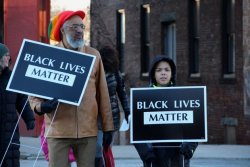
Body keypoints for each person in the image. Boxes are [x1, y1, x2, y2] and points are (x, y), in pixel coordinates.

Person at [29, 10, 114, 167]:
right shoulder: (49, 55)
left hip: (88, 131)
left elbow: (103, 95)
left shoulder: (94, 56)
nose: (80, 31)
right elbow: (34, 93)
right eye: (74, 27)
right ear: (62, 30)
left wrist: (108, 127)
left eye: (81, 26)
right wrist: (41, 107)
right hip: (58, 131)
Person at [135, 55, 198, 167]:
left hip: (178, 158)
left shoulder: (183, 97)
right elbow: (137, 131)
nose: (163, 73)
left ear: (172, 73)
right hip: (153, 158)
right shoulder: (143, 98)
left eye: (167, 70)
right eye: (159, 70)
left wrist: (190, 146)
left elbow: (195, 127)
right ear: (153, 74)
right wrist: (145, 151)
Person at [0, 43, 35, 167]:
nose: (8, 58)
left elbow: (22, 100)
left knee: (10, 160)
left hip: (10, 132)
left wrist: (29, 118)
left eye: (9, 56)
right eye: (5, 56)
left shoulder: (12, 77)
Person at [95, 46, 130, 167]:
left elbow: (122, 92)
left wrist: (127, 111)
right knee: (98, 147)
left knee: (106, 147)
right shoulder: (94, 71)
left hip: (112, 116)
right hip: (96, 116)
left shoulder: (115, 72)